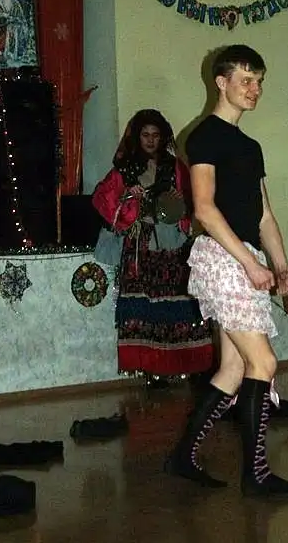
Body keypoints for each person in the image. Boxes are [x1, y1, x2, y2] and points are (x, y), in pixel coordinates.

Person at [164, 45, 288, 498]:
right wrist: (249, 263)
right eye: (246, 80)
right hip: (221, 256)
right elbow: (205, 210)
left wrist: (280, 265)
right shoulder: (205, 136)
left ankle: (182, 456)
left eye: (259, 81)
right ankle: (257, 474)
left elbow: (263, 214)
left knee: (232, 369)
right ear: (221, 82)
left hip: (242, 253)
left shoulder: (250, 147)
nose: (254, 89)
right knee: (263, 362)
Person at [92, 109, 214, 387]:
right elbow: (102, 199)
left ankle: (187, 365)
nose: (150, 140)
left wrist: (181, 203)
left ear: (162, 137)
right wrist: (127, 197)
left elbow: (196, 199)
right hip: (141, 246)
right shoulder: (125, 169)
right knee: (144, 306)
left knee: (181, 301)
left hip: (174, 246)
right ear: (137, 137)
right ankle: (151, 369)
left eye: (155, 135)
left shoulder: (175, 167)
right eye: (145, 135)